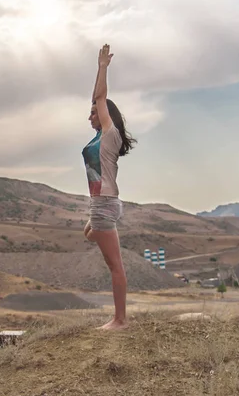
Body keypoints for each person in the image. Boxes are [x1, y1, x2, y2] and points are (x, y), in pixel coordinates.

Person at [82, 44, 137, 331]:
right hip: (101, 204)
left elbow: (99, 96)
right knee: (90, 234)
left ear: (105, 116)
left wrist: (102, 67)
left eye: (94, 113)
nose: (90, 116)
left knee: (115, 266)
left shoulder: (109, 135)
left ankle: (120, 320)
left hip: (104, 203)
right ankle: (120, 318)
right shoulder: (98, 139)